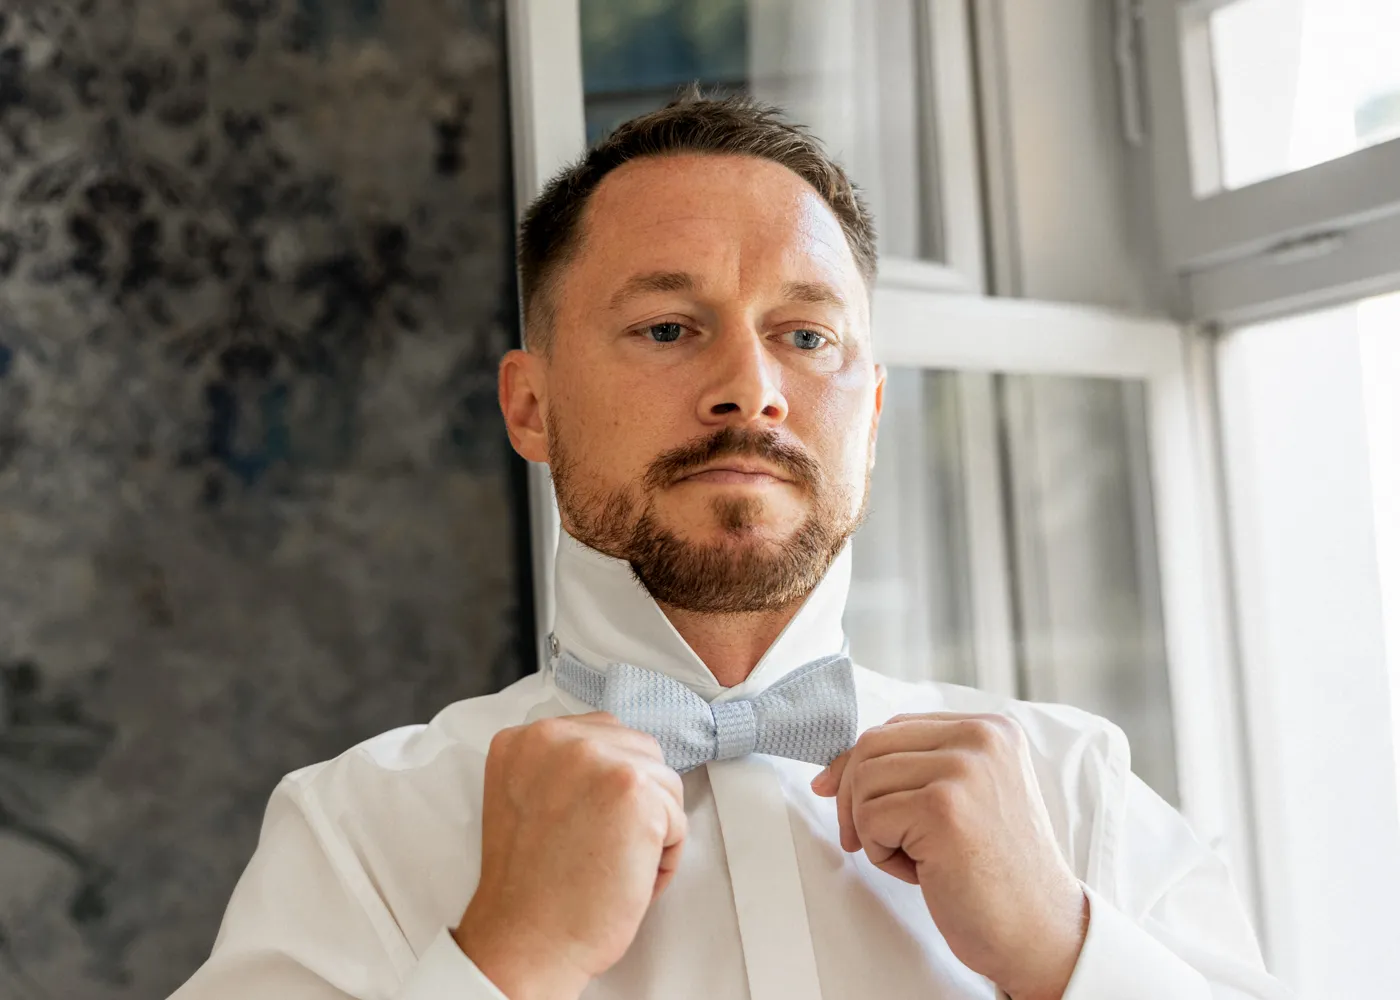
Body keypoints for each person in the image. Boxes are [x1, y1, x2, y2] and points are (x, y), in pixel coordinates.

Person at [170, 94, 1290, 1000]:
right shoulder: (356, 831)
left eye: (805, 336)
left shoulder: (1076, 795)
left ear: (871, 414)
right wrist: (504, 963)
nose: (750, 391)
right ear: (530, 405)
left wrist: (1061, 949)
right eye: (668, 328)